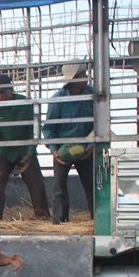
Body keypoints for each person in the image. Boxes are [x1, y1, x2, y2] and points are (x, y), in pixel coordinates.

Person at [0, 73, 51, 220]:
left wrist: (30, 152)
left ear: (11, 90)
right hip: (4, 151)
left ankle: (43, 217)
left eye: (3, 92)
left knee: (36, 182)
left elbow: (33, 130)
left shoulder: (25, 103)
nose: (0, 96)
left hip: (24, 149)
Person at [42, 62, 95, 224]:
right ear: (73, 79)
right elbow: (49, 129)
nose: (86, 77)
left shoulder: (93, 94)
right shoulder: (57, 100)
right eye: (82, 75)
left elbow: (100, 122)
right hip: (63, 149)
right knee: (59, 187)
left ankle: (98, 218)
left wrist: (92, 144)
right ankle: (59, 221)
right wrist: (54, 151)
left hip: (86, 148)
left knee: (92, 185)